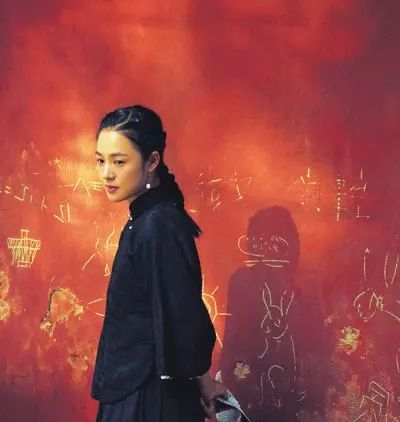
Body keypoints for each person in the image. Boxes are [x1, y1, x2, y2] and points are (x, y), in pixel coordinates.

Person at [91, 104, 226, 421]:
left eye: (119, 162)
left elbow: (181, 314)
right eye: (100, 160)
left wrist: (204, 383)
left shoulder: (157, 224)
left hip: (147, 396)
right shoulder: (147, 219)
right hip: (133, 386)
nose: (106, 173)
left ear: (152, 161)